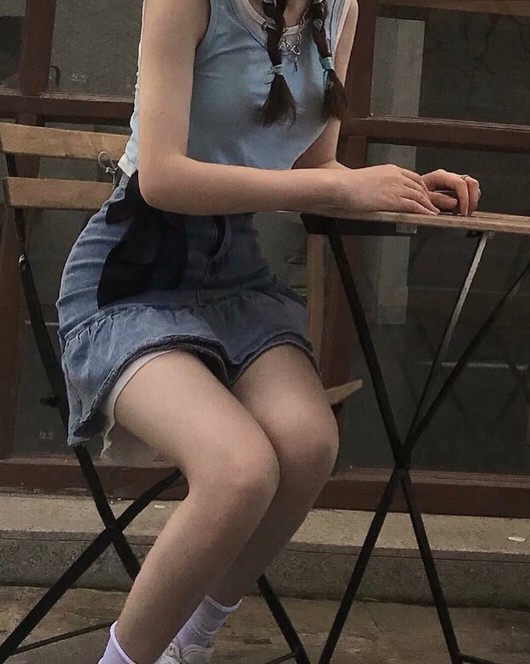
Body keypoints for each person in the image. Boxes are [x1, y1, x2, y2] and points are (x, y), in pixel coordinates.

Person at [56, 0, 480, 662]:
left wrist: (402, 188)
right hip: (134, 275)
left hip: (236, 276)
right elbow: (161, 177)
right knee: (239, 470)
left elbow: (315, 169)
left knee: (308, 446)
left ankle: (188, 646)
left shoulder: (339, 9)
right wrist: (338, 193)